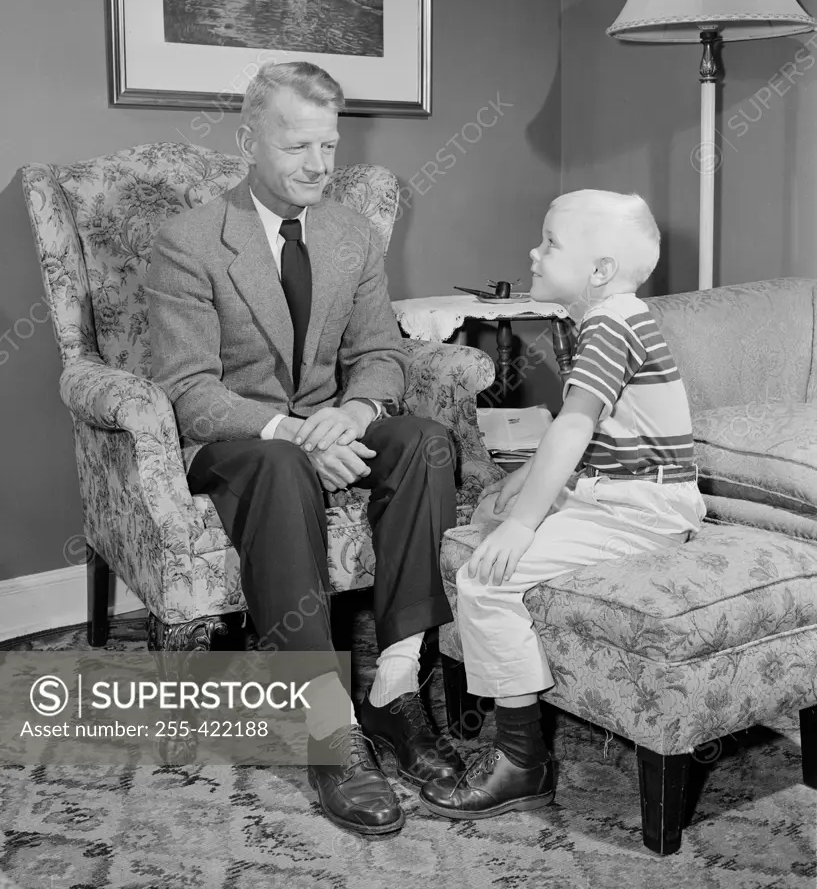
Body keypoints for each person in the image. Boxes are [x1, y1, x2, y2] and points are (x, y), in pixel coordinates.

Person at [145, 61, 464, 836]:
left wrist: (354, 413)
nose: (320, 165)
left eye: (330, 144)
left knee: (424, 440)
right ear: (248, 140)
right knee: (284, 463)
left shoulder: (350, 232)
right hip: (237, 443)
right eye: (298, 147)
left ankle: (391, 691)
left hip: (328, 422)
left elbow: (381, 353)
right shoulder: (187, 242)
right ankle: (326, 725)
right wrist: (292, 431)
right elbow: (188, 388)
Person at [419, 189, 707, 819]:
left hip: (644, 507)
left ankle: (523, 762)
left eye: (550, 243)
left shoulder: (611, 325)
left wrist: (523, 526)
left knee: (484, 579)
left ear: (599, 271)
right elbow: (576, 433)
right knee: (489, 520)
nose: (534, 251)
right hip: (618, 491)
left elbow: (575, 428)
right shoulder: (605, 320)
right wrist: (518, 486)